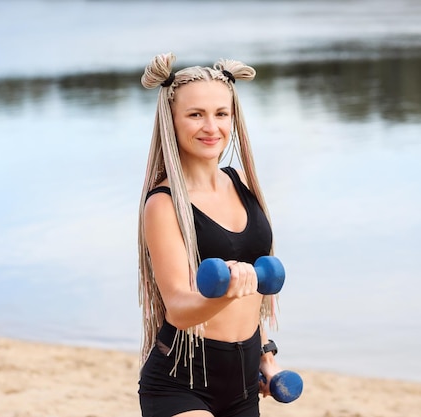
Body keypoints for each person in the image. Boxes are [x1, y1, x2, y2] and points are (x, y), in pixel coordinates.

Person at [137, 52, 283, 417]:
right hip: (180, 379)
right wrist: (230, 290)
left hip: (245, 378)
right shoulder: (164, 204)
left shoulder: (241, 183)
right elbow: (181, 309)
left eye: (221, 113)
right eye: (195, 114)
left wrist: (266, 355)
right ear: (171, 121)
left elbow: (255, 292)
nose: (211, 127)